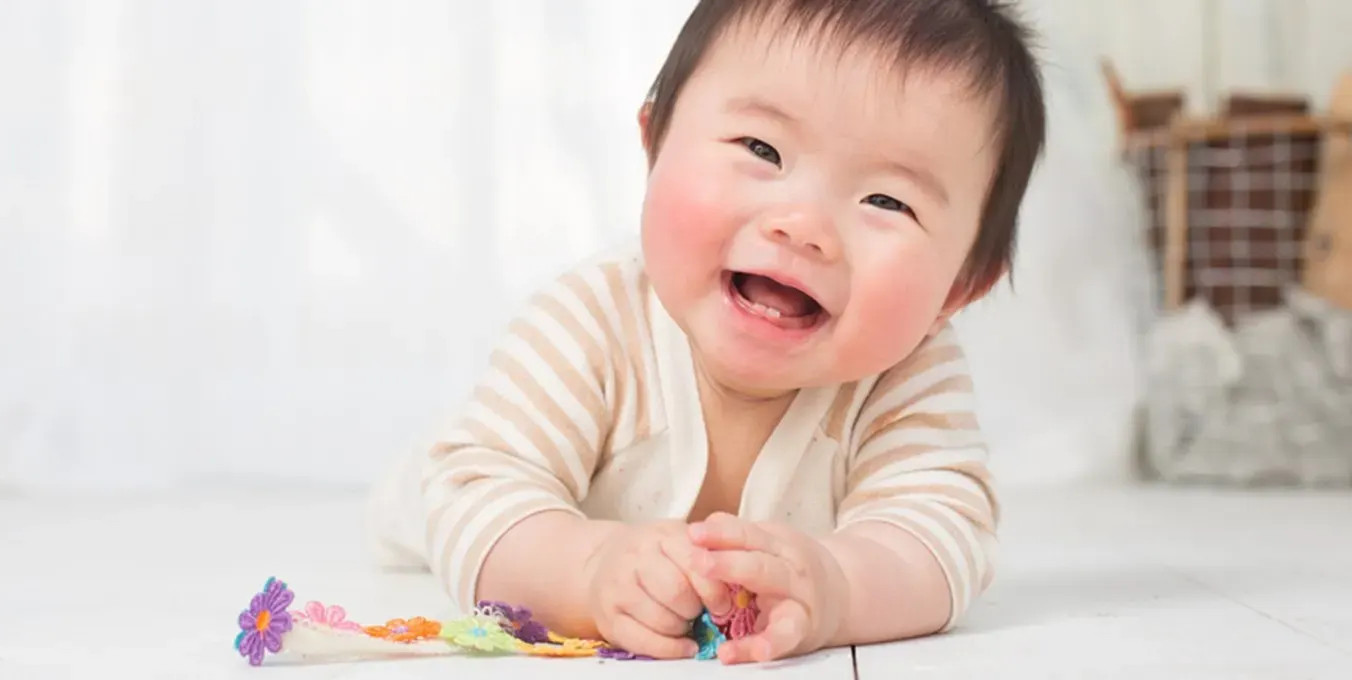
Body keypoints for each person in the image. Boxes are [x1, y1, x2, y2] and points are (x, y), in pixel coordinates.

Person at [366, 0, 1045, 664]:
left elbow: (942, 536)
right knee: (439, 488)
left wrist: (837, 587)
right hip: (455, 481)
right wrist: (589, 571)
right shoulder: (593, 321)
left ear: (958, 289)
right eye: (761, 148)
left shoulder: (907, 373)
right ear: (655, 142)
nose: (802, 225)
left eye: (886, 201)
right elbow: (477, 495)